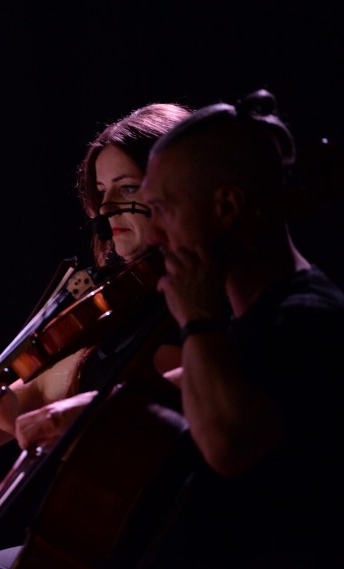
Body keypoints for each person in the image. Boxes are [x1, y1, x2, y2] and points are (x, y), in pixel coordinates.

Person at [0, 102, 193, 568]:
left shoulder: (200, 299)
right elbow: (33, 397)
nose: (106, 211)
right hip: (97, 532)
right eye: (101, 193)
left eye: (126, 189)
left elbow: (171, 394)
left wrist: (48, 412)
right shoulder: (113, 297)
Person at [137, 88, 344, 568]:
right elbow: (187, 385)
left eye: (163, 209)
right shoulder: (252, 325)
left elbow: (228, 444)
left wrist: (198, 319)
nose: (152, 235)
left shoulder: (308, 319)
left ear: (227, 208)